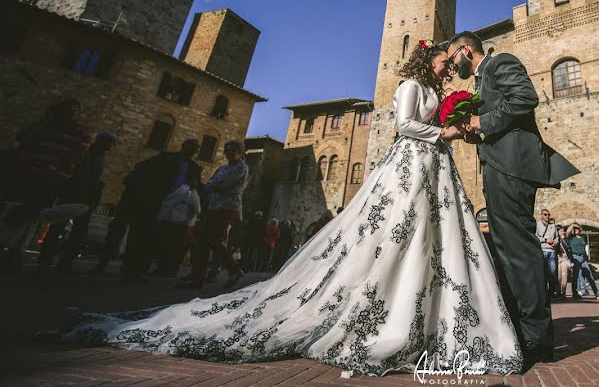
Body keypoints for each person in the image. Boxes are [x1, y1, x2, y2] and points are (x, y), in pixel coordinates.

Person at [57, 39, 523, 375]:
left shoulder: (438, 93)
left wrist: (453, 127)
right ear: (430, 60)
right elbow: (403, 126)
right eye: (444, 63)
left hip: (434, 169)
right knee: (396, 234)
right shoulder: (408, 85)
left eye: (449, 64)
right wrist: (443, 132)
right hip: (410, 166)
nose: (447, 70)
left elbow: (431, 124)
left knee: (430, 240)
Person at [450, 31, 578, 365]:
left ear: (466, 50)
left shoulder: (500, 62)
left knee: (519, 248)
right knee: (506, 250)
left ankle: (537, 337)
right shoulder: (482, 80)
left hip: (513, 167)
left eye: (453, 59)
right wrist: (475, 132)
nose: (453, 67)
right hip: (499, 165)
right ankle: (520, 330)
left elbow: (525, 98)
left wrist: (483, 120)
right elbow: (501, 121)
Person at [1, 98, 92, 274]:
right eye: (65, 108)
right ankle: (11, 256)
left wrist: (52, 170)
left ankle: (13, 257)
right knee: (15, 213)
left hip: (48, 180)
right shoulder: (38, 126)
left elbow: (75, 156)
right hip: (23, 176)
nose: (68, 112)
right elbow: (20, 145)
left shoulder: (80, 132)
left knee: (30, 216)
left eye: (73, 109)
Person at [119, 139, 202, 283]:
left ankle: (141, 270)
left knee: (153, 238)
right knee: (140, 236)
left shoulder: (194, 168)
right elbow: (142, 168)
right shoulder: (165, 158)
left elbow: (197, 187)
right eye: (192, 146)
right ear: (183, 146)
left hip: (173, 208)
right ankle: (131, 270)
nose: (195, 149)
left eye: (197, 147)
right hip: (156, 202)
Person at [39, 132, 118, 273]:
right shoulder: (85, 153)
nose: (111, 147)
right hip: (74, 194)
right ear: (103, 142)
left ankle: (63, 262)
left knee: (76, 231)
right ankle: (48, 259)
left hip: (85, 198)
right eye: (110, 143)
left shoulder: (100, 156)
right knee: (60, 227)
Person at [179, 140, 250, 289]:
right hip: (213, 206)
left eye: (233, 150)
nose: (229, 152)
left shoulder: (241, 167)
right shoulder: (223, 168)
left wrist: (201, 186)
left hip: (226, 207)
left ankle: (234, 270)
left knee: (214, 240)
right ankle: (198, 276)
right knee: (203, 241)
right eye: (227, 149)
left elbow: (221, 183)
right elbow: (213, 181)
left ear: (240, 152)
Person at [155, 178, 201, 277]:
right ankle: (169, 269)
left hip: (172, 220)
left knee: (169, 246)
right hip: (181, 222)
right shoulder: (190, 192)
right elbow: (197, 209)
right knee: (176, 247)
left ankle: (165, 268)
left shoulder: (180, 190)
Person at [566, 224, 599, 300]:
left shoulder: (582, 238)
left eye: (577, 228)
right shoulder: (571, 238)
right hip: (575, 257)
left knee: (589, 275)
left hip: (583, 258)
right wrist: (573, 225)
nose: (576, 229)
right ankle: (575, 294)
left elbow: (584, 248)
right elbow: (568, 231)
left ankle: (597, 293)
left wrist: (586, 258)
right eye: (574, 228)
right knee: (576, 276)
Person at [535, 209, 561, 300]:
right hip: (543, 250)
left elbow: (557, 237)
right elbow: (535, 236)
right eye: (545, 215)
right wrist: (545, 240)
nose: (547, 216)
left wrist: (555, 242)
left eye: (548, 215)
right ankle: (544, 293)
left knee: (553, 273)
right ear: (541, 215)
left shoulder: (553, 226)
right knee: (543, 273)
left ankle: (551, 292)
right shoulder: (537, 225)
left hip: (552, 251)